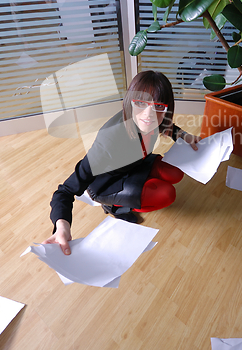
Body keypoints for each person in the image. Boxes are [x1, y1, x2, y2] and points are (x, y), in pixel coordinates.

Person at [43, 70, 201, 255]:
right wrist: (62, 226)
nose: (149, 114)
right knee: (167, 194)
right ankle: (114, 206)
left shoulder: (153, 117)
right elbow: (65, 191)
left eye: (158, 106)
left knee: (176, 173)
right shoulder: (109, 140)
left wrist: (184, 135)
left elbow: (166, 125)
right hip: (108, 183)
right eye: (141, 103)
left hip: (136, 163)